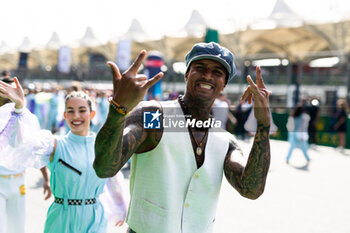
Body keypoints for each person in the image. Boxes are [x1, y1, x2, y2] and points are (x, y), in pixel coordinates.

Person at [93, 42, 271, 233]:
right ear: (187, 74)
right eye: (200, 68)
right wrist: (118, 110)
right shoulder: (155, 117)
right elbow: (104, 168)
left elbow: (251, 190)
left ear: (224, 84)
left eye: (218, 72)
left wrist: (263, 126)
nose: (207, 76)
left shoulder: (224, 141)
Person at [0, 78, 127, 232]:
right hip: (62, 218)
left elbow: (114, 180)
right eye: (70, 111)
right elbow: (20, 143)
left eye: (82, 110)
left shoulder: (102, 147)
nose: (76, 116)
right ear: (65, 115)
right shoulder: (54, 144)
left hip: (94, 218)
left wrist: (121, 206)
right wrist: (19, 107)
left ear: (92, 114)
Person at [0, 74, 52, 233]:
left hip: (18, 180)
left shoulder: (27, 118)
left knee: (17, 228)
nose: (10, 97)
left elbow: (35, 149)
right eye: (4, 92)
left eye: (14, 92)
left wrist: (46, 178)